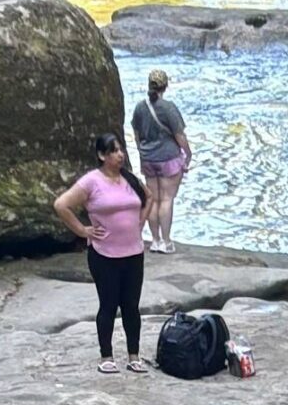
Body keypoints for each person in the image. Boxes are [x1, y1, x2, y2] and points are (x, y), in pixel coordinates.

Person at [54, 135, 150, 372]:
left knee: (131, 306)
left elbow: (150, 197)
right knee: (108, 305)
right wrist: (82, 230)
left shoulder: (129, 178)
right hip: (104, 255)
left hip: (133, 253)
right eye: (113, 151)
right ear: (101, 156)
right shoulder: (91, 182)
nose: (120, 155)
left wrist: (140, 222)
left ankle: (133, 356)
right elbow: (61, 205)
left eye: (120, 150)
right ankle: (106, 356)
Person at [131, 69, 191, 253]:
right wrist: (188, 154)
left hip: (148, 159)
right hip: (168, 160)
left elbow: (137, 135)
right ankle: (166, 241)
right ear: (166, 85)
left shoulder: (140, 107)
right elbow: (179, 135)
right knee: (166, 199)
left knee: (154, 200)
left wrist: (142, 155)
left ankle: (155, 240)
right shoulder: (168, 108)